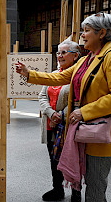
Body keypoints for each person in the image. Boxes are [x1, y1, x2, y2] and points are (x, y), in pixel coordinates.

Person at [16, 12, 111, 201]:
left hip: (99, 132)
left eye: (86, 31)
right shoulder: (88, 60)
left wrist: (84, 112)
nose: (82, 35)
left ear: (102, 33)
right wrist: (30, 74)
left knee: (95, 185)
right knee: (82, 176)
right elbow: (59, 77)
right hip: (82, 130)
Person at [38, 40, 81, 201]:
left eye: (64, 52)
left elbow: (79, 101)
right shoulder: (54, 73)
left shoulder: (78, 76)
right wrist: (50, 113)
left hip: (68, 125)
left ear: (75, 55)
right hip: (51, 124)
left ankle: (76, 191)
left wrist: (61, 115)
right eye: (58, 53)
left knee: (72, 158)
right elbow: (42, 95)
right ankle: (58, 189)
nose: (59, 56)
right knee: (54, 158)